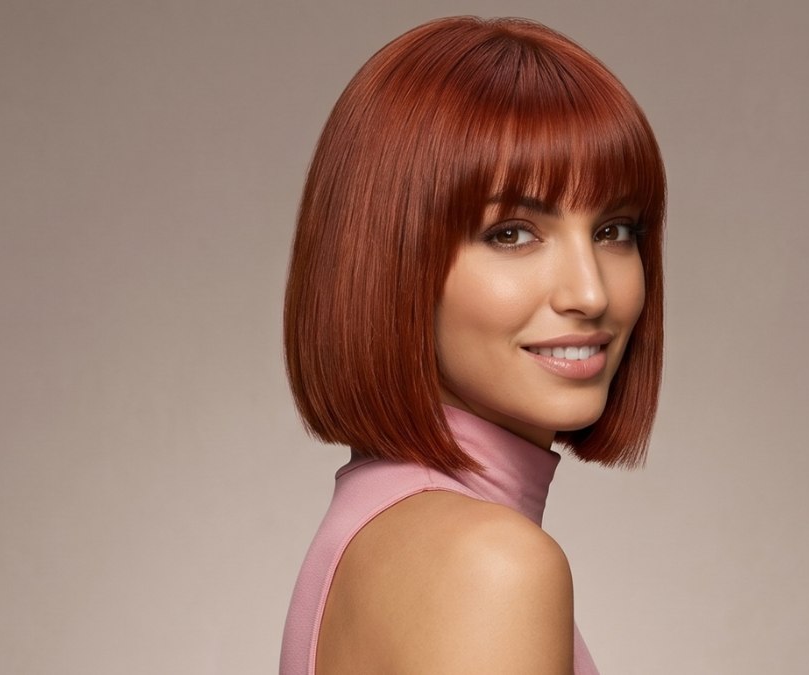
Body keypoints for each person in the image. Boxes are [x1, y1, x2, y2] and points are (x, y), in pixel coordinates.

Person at [279, 16, 665, 675]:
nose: (590, 292)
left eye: (614, 230)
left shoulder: (379, 526)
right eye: (511, 233)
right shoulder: (489, 566)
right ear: (390, 263)